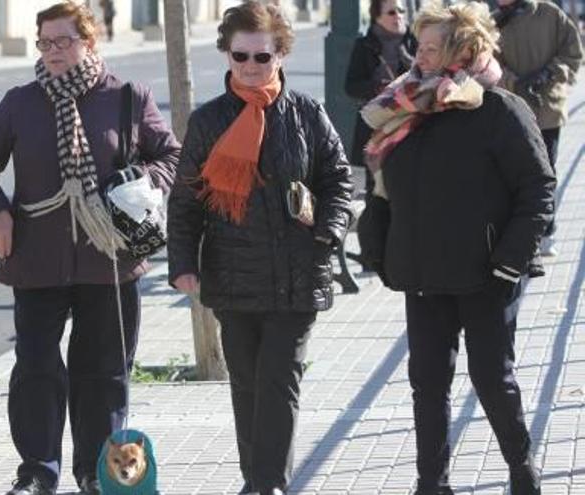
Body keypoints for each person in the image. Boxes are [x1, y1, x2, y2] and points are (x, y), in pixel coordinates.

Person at [0, 2, 179, 494]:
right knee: (36, 366)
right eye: (46, 42)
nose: (54, 51)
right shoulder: (21, 102)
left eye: (64, 40)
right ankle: (38, 471)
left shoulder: (127, 97)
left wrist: (142, 182)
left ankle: (96, 472)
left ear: (90, 41)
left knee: (103, 372)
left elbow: (170, 155)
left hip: (110, 259)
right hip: (37, 258)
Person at [357, 2, 555, 494]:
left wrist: (510, 260)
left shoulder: (500, 110)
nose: (417, 56)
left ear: (463, 51)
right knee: (427, 382)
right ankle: (432, 483)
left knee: (491, 377)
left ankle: (521, 468)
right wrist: (377, 248)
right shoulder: (404, 107)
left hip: (486, 273)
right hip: (421, 272)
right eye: (417, 45)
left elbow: (537, 189)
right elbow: (380, 187)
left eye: (429, 47)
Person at [167, 2, 352, 494]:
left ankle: (267, 484)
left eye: (261, 57)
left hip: (297, 274)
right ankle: (260, 480)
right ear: (227, 53)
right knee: (247, 386)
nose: (250, 67)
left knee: (277, 383)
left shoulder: (308, 114)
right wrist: (182, 263)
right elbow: (186, 200)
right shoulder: (209, 122)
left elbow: (337, 181)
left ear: (282, 54)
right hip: (232, 278)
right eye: (240, 55)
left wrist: (328, 232)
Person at [493, 0, 583, 256]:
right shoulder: (492, 21)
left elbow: (573, 53)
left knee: (544, 171)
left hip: (546, 108)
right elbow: (487, 63)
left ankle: (546, 233)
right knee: (513, 174)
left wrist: (548, 74)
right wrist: (513, 80)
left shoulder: (548, 13)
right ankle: (521, 235)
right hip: (510, 109)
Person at [345, 0, 416, 195]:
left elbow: (426, 75)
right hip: (375, 125)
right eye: (391, 12)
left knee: (404, 185)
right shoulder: (364, 45)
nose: (399, 16)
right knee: (374, 187)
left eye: (401, 11)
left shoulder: (414, 42)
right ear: (377, 17)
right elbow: (351, 86)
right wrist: (378, 88)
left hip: (406, 123)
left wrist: (409, 63)